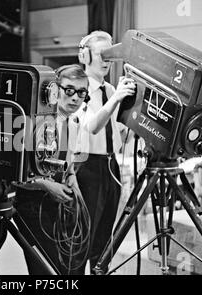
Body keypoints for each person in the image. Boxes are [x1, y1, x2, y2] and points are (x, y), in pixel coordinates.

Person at [14, 64, 91, 275]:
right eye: (69, 90)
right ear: (55, 90)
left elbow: (69, 160)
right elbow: (15, 174)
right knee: (46, 270)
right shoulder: (37, 122)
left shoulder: (73, 123)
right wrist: (47, 185)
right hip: (31, 202)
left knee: (69, 267)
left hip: (56, 203)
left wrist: (71, 176)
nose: (75, 97)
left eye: (81, 92)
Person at [73, 30, 136, 274]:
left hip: (111, 166)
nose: (107, 59)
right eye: (102, 54)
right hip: (86, 168)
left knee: (104, 238)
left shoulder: (110, 89)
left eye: (111, 54)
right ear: (85, 56)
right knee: (82, 238)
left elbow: (115, 132)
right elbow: (93, 126)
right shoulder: (79, 88)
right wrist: (116, 98)